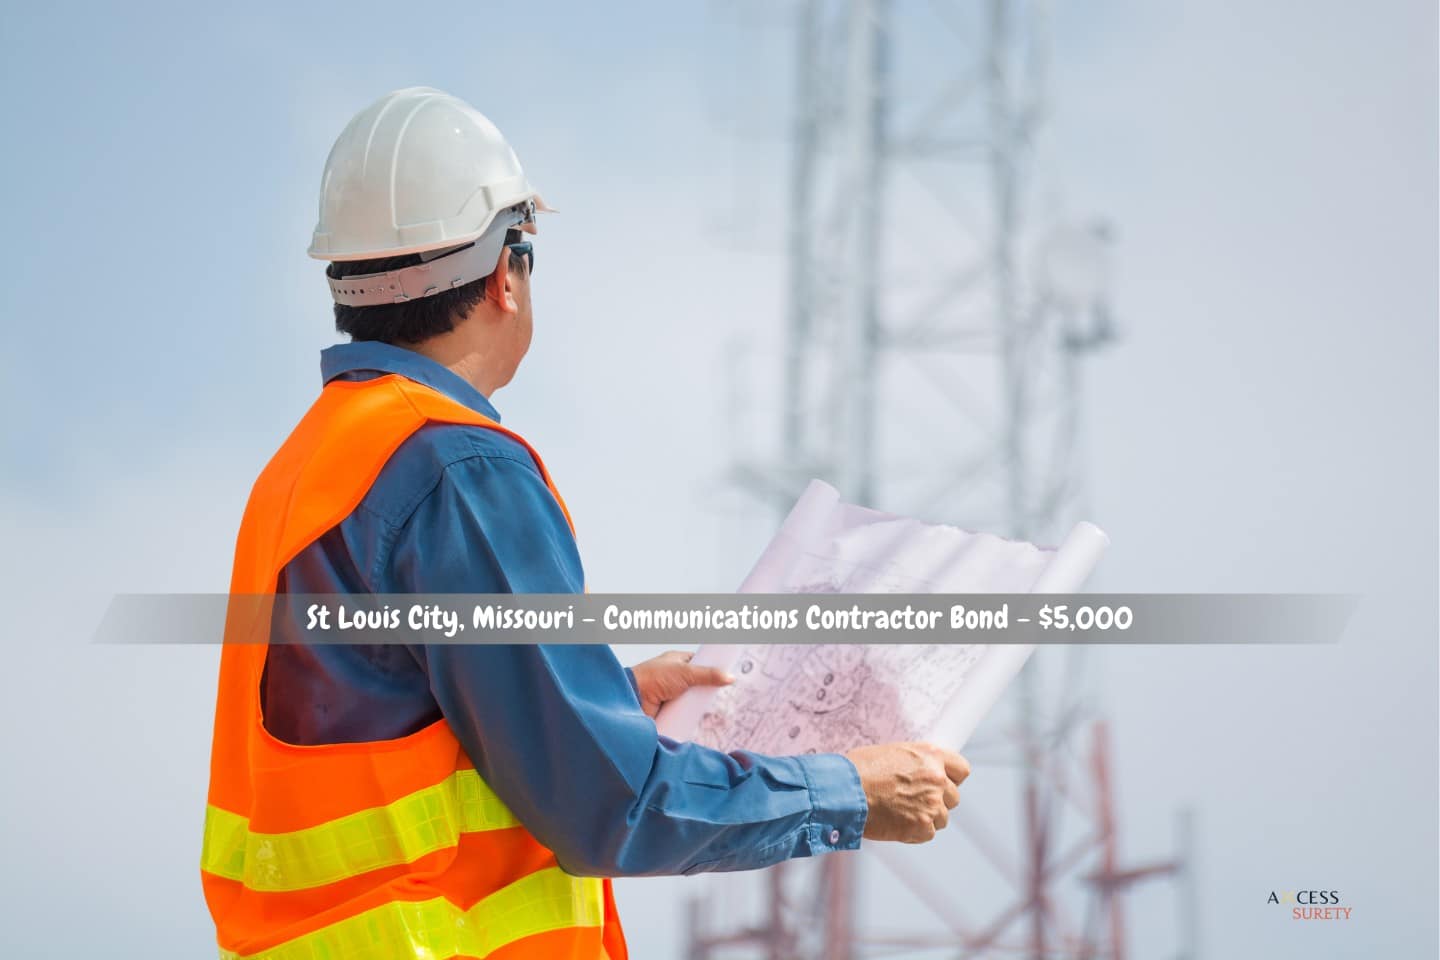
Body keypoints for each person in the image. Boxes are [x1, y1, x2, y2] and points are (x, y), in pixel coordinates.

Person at [201, 86, 970, 960]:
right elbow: (607, 804)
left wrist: (591, 698)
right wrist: (848, 791)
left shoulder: (308, 468)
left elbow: (368, 726)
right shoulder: (458, 469)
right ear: (505, 275)